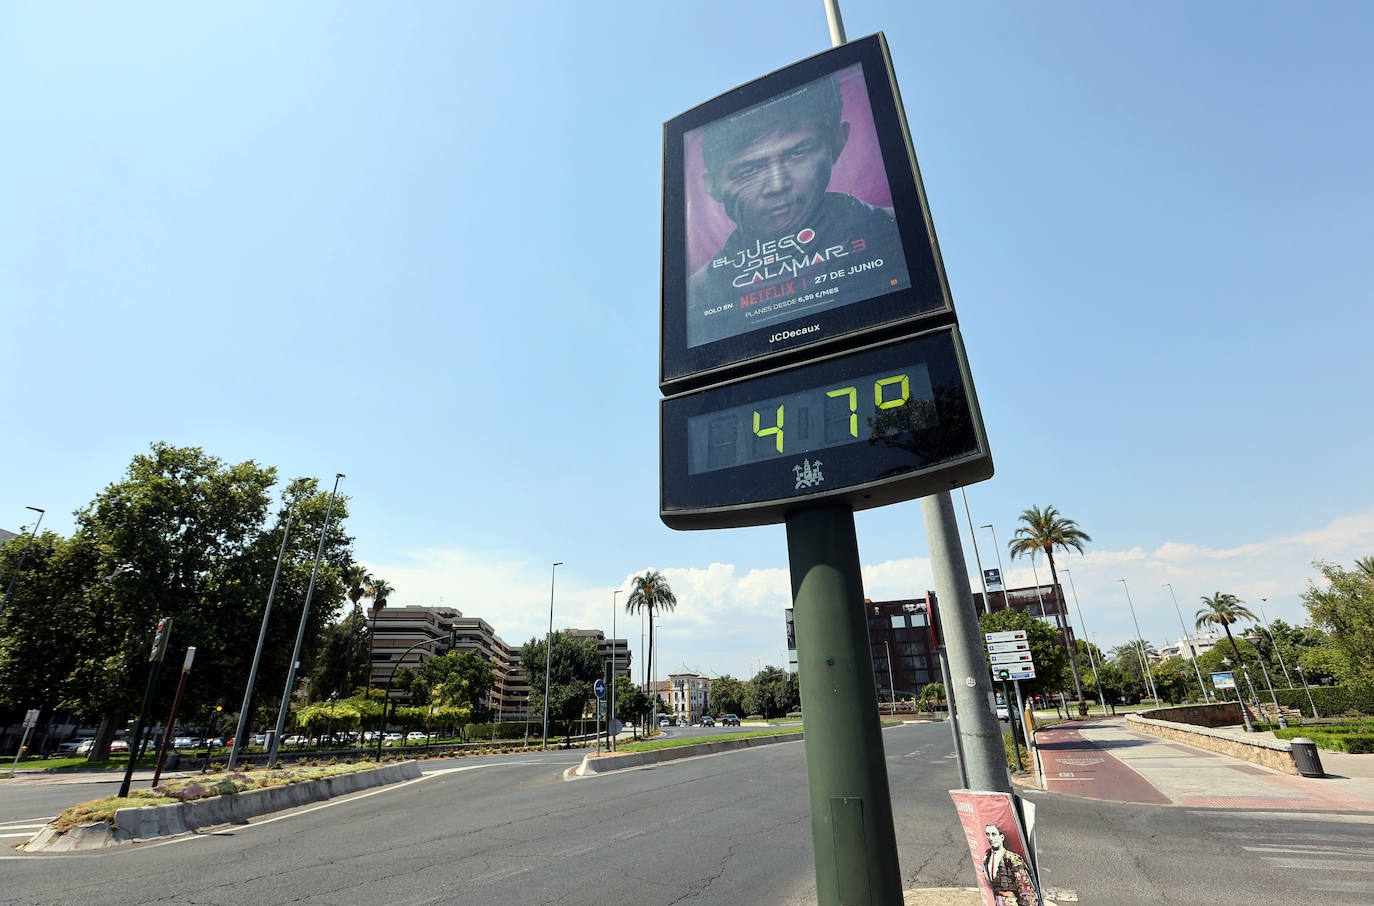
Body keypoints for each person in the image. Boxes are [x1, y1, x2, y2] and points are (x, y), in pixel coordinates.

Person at [686, 73, 918, 346]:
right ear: (712, 185)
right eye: (749, 169)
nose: (776, 186)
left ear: (838, 142)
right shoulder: (696, 299)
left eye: (797, 153)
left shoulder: (898, 236)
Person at [982, 823, 1039, 906]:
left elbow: (1026, 888)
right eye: (988, 835)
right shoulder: (986, 857)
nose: (991, 838)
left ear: (1002, 837)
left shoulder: (1013, 858)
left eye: (994, 834)